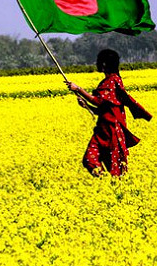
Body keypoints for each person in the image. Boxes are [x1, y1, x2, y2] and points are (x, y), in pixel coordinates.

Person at [65, 49, 152, 177]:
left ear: (104, 64)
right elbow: (104, 109)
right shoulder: (108, 81)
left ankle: (113, 189)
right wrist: (86, 105)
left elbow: (99, 101)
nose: (96, 63)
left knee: (115, 171)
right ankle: (105, 185)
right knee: (90, 160)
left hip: (112, 133)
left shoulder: (113, 81)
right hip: (102, 131)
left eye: (99, 61)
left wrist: (78, 89)